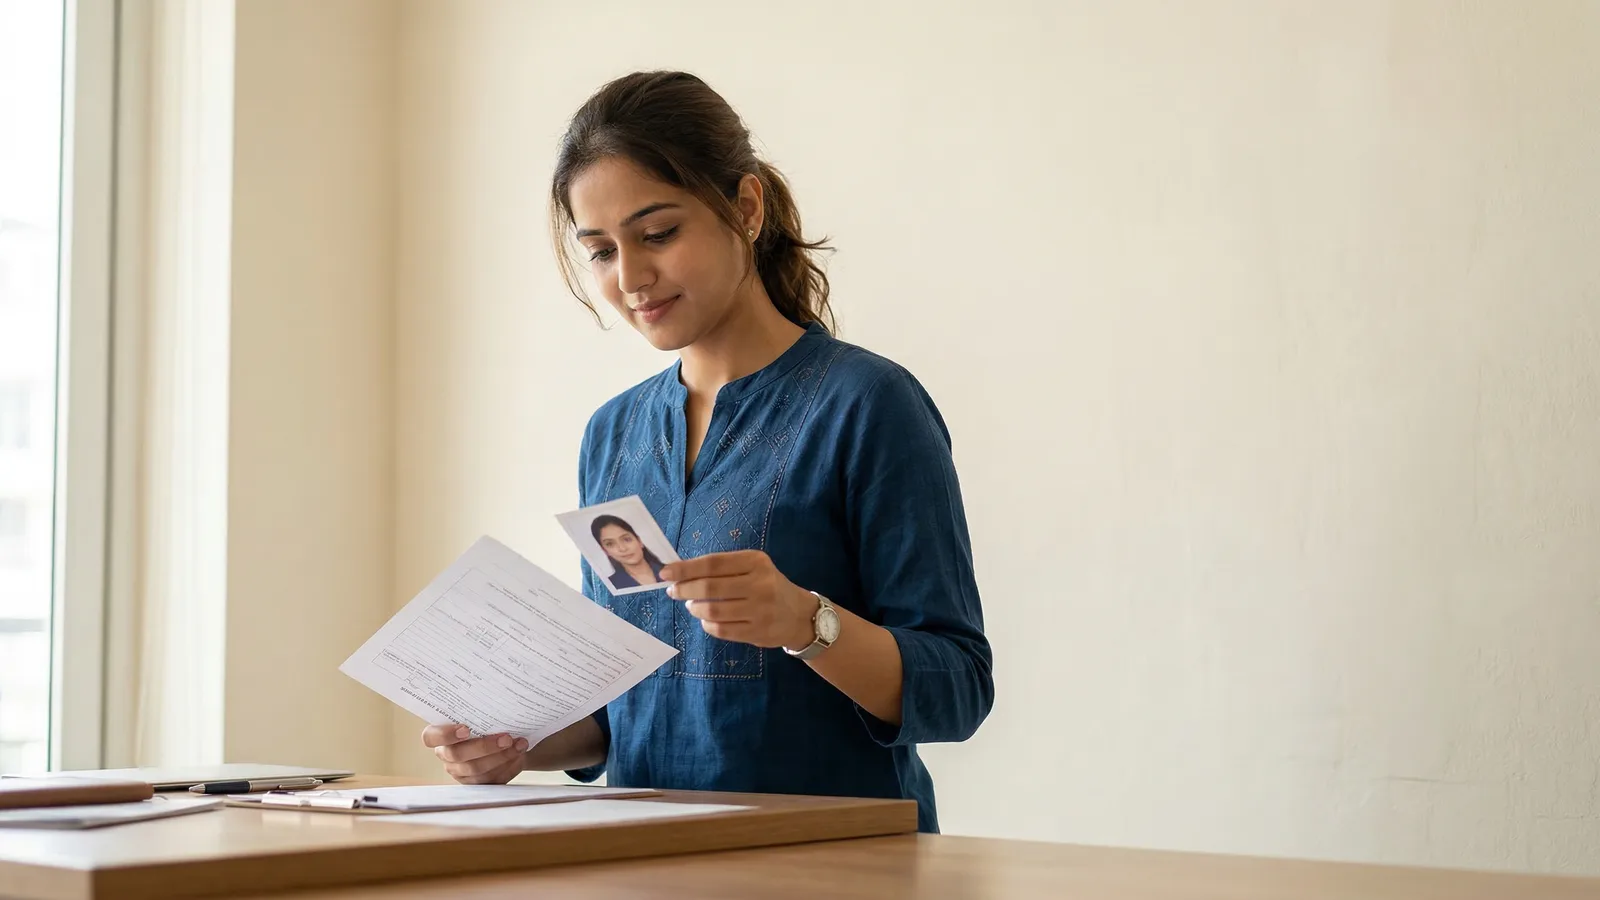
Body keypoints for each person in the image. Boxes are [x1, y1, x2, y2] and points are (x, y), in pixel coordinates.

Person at [420, 70, 992, 834]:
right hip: (645, 863)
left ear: (746, 208)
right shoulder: (612, 434)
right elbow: (623, 711)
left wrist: (805, 620)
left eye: (658, 234)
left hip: (833, 867)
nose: (631, 278)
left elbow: (957, 689)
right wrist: (515, 743)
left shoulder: (867, 405)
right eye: (601, 251)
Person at [592, 514, 666, 589]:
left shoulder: (669, 570)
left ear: (639, 541)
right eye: (610, 544)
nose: (622, 548)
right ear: (605, 551)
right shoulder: (610, 586)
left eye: (627, 539)